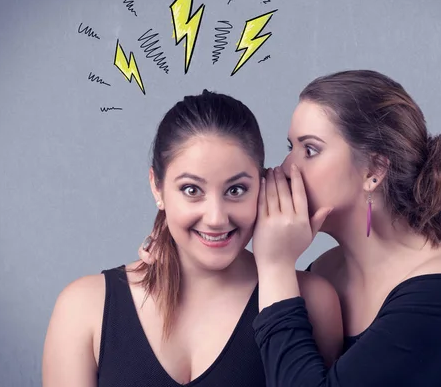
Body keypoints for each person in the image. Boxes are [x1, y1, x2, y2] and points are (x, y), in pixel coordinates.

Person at [42, 90, 343, 387]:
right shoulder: (83, 308)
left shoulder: (314, 301)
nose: (216, 217)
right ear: (157, 188)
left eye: (235, 190)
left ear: (263, 189)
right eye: (191, 190)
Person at [251, 70, 441, 386]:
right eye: (291, 147)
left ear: (374, 170)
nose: (287, 168)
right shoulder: (326, 270)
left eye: (310, 150)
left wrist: (275, 266)